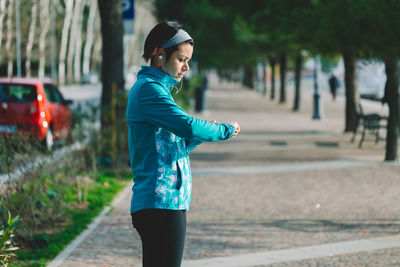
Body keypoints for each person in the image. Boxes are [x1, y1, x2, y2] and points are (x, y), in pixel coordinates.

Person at [126, 21, 240, 267]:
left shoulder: (157, 89)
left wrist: (198, 135)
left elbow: (168, 148)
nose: (186, 67)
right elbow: (187, 125)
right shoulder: (149, 91)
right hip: (160, 204)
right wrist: (224, 130)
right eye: (181, 59)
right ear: (159, 55)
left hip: (166, 203)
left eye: (188, 60)